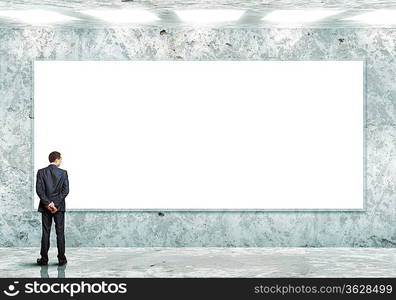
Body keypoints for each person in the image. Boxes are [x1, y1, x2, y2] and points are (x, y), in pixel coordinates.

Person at [35, 151, 69, 266]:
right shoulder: (63, 173)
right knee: (60, 233)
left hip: (45, 208)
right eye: (61, 159)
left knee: (46, 232)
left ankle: (44, 259)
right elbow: (65, 191)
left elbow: (39, 191)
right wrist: (55, 204)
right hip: (59, 208)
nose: (61, 161)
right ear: (57, 159)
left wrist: (48, 204)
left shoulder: (41, 172)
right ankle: (61, 259)